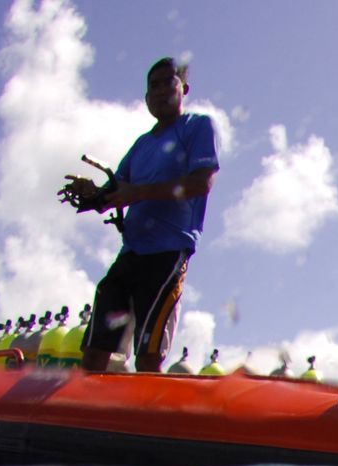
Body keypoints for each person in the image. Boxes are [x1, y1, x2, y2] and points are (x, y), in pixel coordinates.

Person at [60, 58, 220, 373]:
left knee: (149, 355)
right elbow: (113, 192)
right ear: (146, 98)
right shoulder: (141, 145)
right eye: (153, 87)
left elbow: (201, 183)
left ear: (183, 88)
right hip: (130, 255)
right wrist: (91, 193)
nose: (159, 92)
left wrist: (138, 193)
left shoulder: (198, 127)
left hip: (167, 254)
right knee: (94, 351)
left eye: (167, 83)